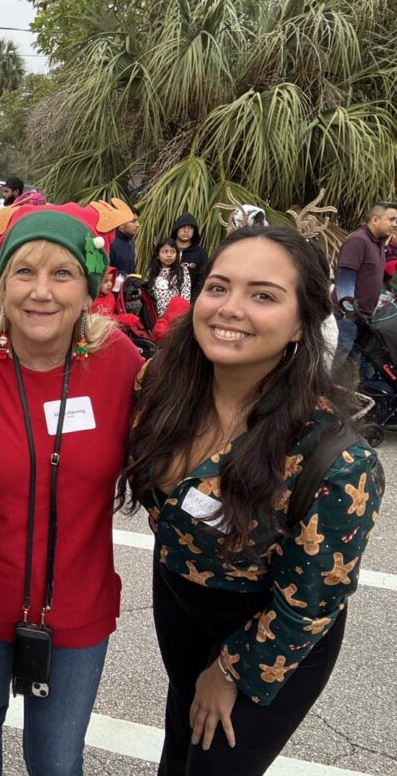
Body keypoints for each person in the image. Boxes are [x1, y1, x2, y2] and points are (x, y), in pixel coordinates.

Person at [122, 225, 381, 776]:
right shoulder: (159, 389)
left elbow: (309, 603)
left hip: (272, 635)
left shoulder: (337, 462)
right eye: (218, 287)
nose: (230, 308)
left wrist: (231, 672)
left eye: (263, 295)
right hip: (180, 602)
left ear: (301, 324)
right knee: (176, 754)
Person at [0, 205, 144, 776]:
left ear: (89, 288)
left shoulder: (118, 361)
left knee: (57, 757)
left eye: (62, 274)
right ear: (2, 284)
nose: (41, 293)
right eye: (24, 272)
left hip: (76, 601)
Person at [332, 202, 397, 370]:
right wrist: (349, 312)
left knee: (350, 368)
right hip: (347, 320)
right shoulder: (358, 241)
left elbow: (377, 278)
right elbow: (345, 279)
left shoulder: (377, 245)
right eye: (391, 219)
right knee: (336, 367)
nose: (395, 224)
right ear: (375, 219)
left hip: (364, 320)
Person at [145, 239, 192, 316]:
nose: (169, 255)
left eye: (173, 252)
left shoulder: (182, 270)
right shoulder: (151, 271)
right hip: (154, 313)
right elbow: (147, 291)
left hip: (174, 314)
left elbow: (186, 293)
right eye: (165, 252)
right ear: (157, 255)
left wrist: (183, 314)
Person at [170, 211, 207, 294]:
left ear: (194, 231)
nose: (186, 230)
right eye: (183, 227)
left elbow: (202, 280)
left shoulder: (201, 253)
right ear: (176, 228)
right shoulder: (166, 250)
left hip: (190, 301)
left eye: (190, 227)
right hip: (164, 300)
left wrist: (193, 301)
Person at [110, 206, 140, 276]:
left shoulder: (131, 242)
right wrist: (123, 275)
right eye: (133, 221)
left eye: (137, 221)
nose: (138, 225)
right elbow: (106, 270)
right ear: (121, 224)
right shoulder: (110, 242)